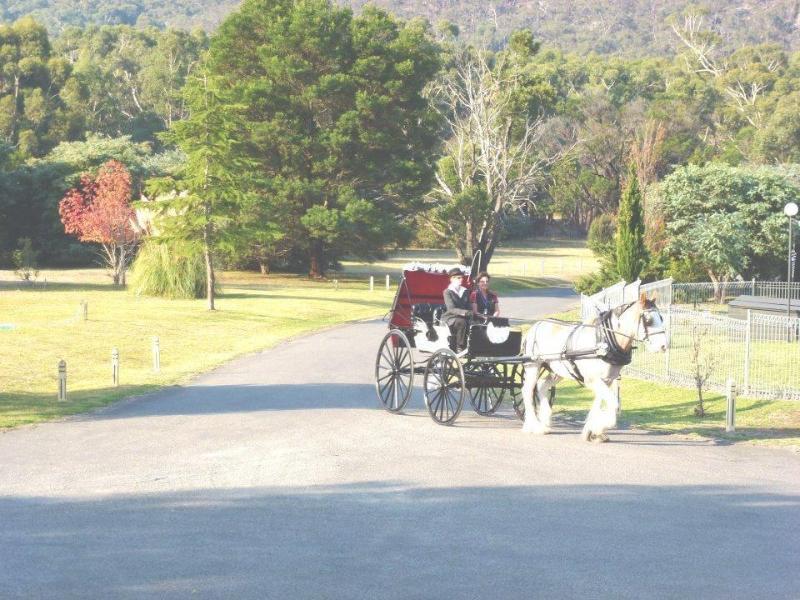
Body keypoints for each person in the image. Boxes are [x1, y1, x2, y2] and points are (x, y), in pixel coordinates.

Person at [441, 267, 477, 353]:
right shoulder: (447, 292)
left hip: (464, 317)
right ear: (452, 279)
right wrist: (465, 313)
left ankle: (474, 345)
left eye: (462, 277)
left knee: (477, 322)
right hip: (450, 317)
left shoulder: (465, 291)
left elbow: (468, 305)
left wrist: (472, 312)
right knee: (462, 322)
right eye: (458, 277)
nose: (461, 279)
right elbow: (451, 309)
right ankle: (460, 346)